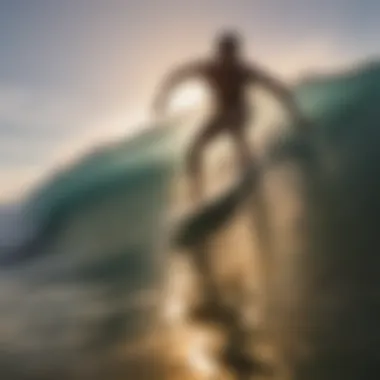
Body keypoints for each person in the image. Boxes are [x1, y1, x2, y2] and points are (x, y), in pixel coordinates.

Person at [153, 30, 307, 202]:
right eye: (226, 52)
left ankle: (247, 167)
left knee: (236, 129)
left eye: (234, 53)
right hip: (219, 115)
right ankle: (197, 197)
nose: (231, 58)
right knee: (193, 151)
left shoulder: (245, 71)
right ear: (219, 53)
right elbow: (180, 74)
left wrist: (297, 116)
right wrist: (163, 96)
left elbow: (277, 89)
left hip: (241, 113)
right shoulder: (208, 68)